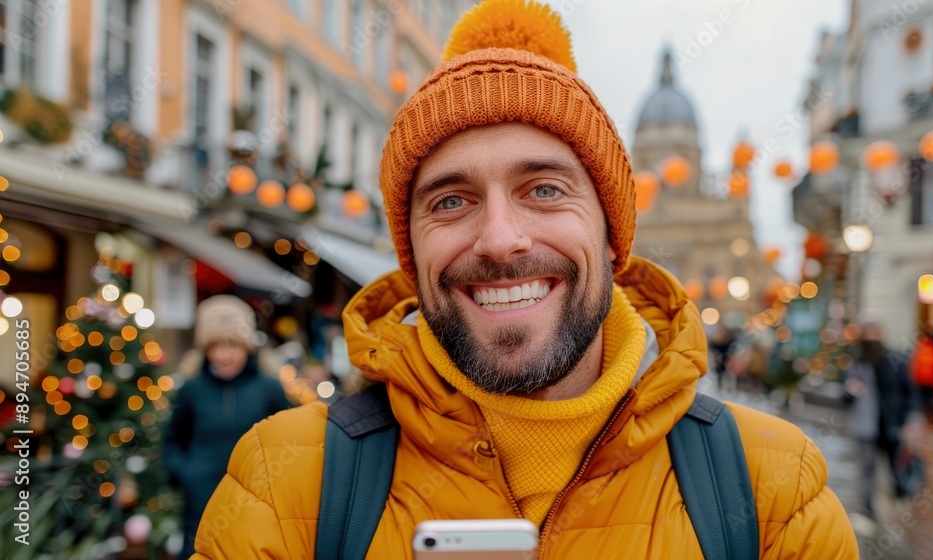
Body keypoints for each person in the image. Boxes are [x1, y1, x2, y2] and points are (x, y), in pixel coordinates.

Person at [192, 1, 857, 558]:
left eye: (544, 189)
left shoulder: (771, 492)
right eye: (450, 200)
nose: (501, 239)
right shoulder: (284, 486)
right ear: (410, 247)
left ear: (611, 231)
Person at [163, 295, 289, 560]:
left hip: (255, 503)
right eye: (215, 346)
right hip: (200, 502)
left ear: (248, 347)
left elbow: (287, 440)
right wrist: (185, 474)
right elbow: (173, 438)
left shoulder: (269, 389)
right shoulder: (192, 388)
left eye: (233, 345)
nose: (224, 355)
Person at [846, 322, 921, 522]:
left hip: (891, 425)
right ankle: (867, 510)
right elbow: (846, 396)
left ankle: (900, 501)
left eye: (874, 334)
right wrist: (850, 390)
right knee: (867, 469)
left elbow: (910, 392)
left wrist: (911, 420)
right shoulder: (858, 363)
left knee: (895, 467)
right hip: (866, 427)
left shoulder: (895, 361)